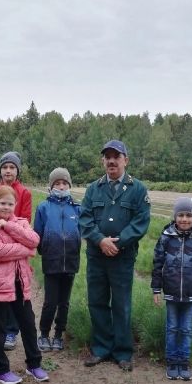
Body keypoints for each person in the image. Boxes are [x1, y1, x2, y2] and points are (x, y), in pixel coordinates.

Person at [79, 140, 151, 371]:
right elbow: (85, 219)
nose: (111, 160)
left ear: (125, 160)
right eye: (107, 157)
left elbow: (141, 222)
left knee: (121, 304)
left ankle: (122, 352)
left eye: (116, 156)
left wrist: (117, 244)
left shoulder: (138, 189)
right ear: (103, 161)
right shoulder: (93, 189)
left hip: (122, 257)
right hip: (97, 256)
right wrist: (100, 240)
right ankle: (101, 349)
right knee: (97, 302)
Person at [0, 185, 48, 384]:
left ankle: (33, 365)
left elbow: (34, 240)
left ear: (15, 205)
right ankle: (0, 370)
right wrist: (26, 251)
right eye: (2, 203)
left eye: (10, 204)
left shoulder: (21, 222)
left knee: (28, 323)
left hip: (20, 282)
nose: (6, 207)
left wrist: (8, 226)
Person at [152, 197, 192, 381]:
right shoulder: (166, 237)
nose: (184, 219)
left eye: (189, 215)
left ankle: (183, 362)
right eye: (181, 215)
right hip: (170, 293)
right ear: (175, 216)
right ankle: (171, 362)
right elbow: (157, 264)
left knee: (186, 328)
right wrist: (156, 289)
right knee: (172, 327)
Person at [0, 151, 32, 351]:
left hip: (16, 242)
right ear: (0, 170)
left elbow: (26, 219)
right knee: (1, 287)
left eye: (12, 167)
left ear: (17, 171)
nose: (8, 171)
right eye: (5, 167)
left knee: (17, 288)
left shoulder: (24, 192)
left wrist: (17, 238)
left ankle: (12, 330)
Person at [34, 167, 81, 351]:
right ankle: (44, 334)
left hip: (70, 262)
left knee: (64, 302)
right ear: (51, 186)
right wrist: (44, 250)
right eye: (57, 183)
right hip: (51, 262)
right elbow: (37, 233)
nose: (61, 187)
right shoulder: (43, 207)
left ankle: (59, 334)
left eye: (64, 183)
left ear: (69, 185)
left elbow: (82, 232)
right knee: (50, 301)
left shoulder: (77, 208)